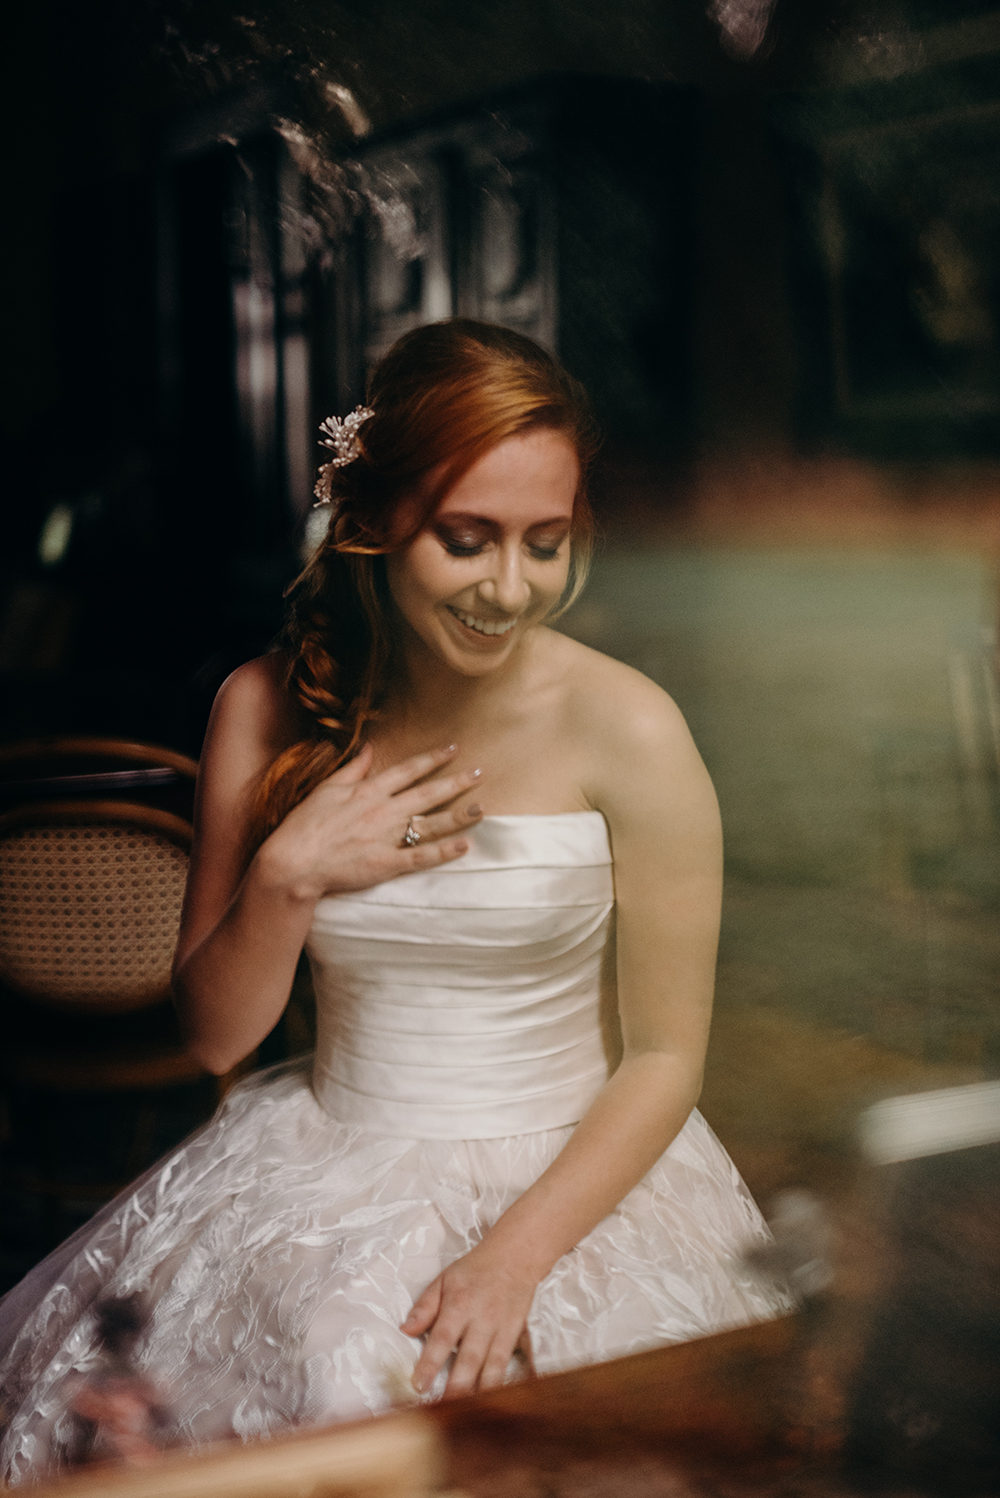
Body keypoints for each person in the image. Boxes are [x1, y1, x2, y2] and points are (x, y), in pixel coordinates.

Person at [0, 320, 790, 1483]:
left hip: (574, 1176)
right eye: (466, 540)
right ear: (374, 523)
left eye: (546, 544)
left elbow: (666, 1056)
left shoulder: (631, 727)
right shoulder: (259, 706)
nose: (509, 588)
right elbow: (215, 1036)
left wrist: (513, 1258)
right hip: (321, 1159)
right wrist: (289, 873)